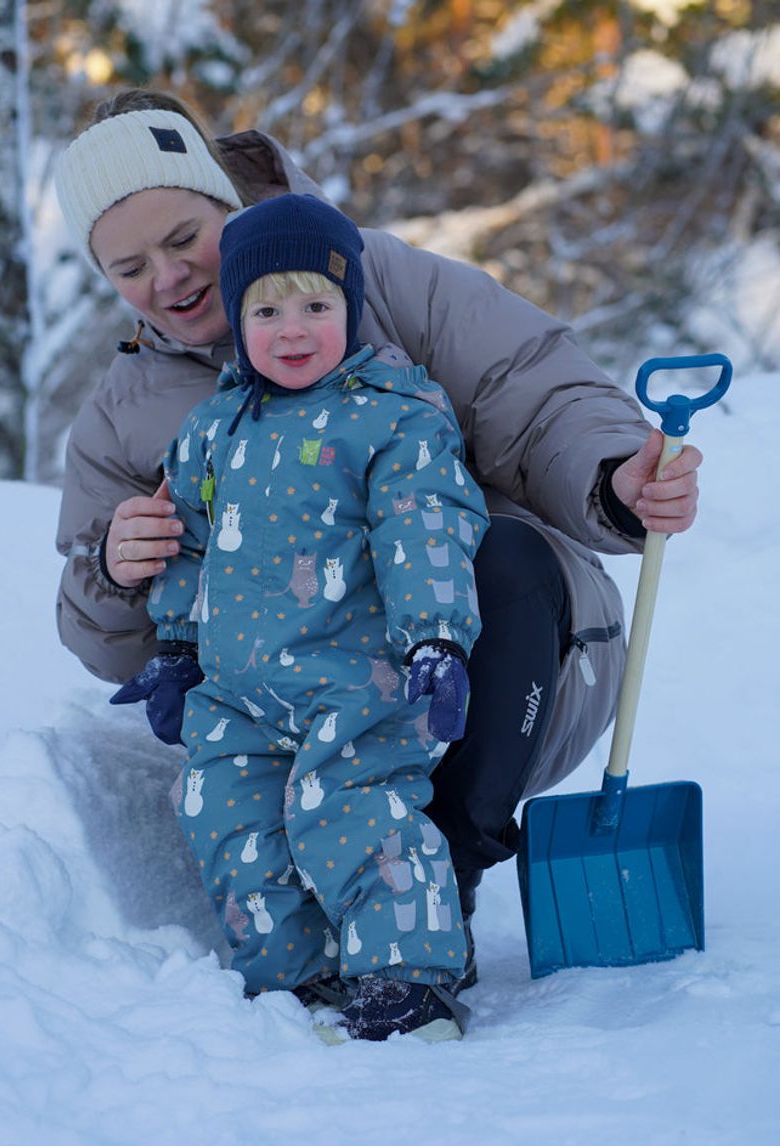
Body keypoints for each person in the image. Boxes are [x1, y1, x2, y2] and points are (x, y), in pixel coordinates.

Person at [52, 90, 703, 1012]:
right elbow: (104, 631)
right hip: (291, 709)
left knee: (502, 558)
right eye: (129, 267)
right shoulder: (123, 417)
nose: (169, 276)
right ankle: (306, 939)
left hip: (489, 663)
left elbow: (533, 390)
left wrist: (611, 477)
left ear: (225, 202)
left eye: (184, 237)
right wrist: (116, 570)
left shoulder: (377, 283)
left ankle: (443, 876)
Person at [108, 192, 491, 1040]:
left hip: (357, 680)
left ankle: (408, 978)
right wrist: (176, 647)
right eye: (266, 311)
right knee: (225, 815)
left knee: (354, 812)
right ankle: (297, 975)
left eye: (315, 307)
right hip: (239, 690)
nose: (291, 331)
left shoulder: (393, 417)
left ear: (349, 310)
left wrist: (436, 638)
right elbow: (187, 542)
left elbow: (423, 527)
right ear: (237, 320)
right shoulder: (212, 429)